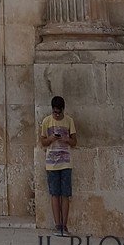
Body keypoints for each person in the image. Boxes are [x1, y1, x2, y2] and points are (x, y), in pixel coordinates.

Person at [39, 95, 76, 235]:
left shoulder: (69, 121)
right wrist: (51, 138)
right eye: (55, 112)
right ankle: (57, 225)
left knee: (65, 194)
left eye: (59, 112)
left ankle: (64, 226)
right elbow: (42, 142)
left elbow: (74, 141)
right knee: (54, 194)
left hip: (66, 163)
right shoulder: (46, 122)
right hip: (51, 164)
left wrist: (66, 139)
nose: (57, 115)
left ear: (63, 110)